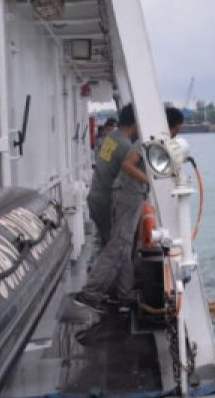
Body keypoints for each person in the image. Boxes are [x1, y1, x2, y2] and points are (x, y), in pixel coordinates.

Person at [77, 106, 184, 312]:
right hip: (120, 196)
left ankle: (123, 295)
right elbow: (128, 165)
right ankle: (90, 294)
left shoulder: (113, 137)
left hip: (105, 195)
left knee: (122, 247)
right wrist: (149, 182)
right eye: (177, 129)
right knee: (117, 247)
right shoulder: (134, 144)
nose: (178, 133)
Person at [86, 107, 137, 247]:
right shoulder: (126, 145)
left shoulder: (112, 136)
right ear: (135, 123)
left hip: (95, 197)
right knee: (112, 246)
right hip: (104, 202)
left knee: (105, 243)